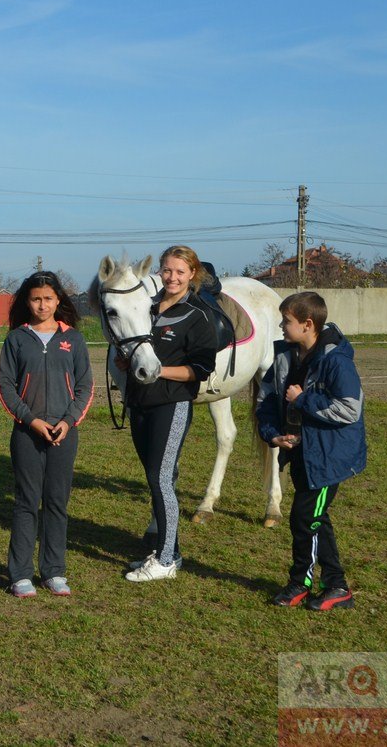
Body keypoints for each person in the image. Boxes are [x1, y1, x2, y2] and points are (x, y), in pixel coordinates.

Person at [258, 291, 365, 611]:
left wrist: (303, 399)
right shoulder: (283, 356)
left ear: (307, 324)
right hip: (301, 453)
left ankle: (299, 583)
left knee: (304, 519)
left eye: (286, 321)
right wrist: (274, 434)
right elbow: (265, 401)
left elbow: (349, 410)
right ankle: (337, 587)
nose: (280, 326)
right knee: (317, 519)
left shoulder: (335, 361)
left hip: (328, 457)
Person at [120, 246, 218, 583]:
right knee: (153, 477)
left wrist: (161, 371)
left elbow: (201, 369)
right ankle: (169, 550)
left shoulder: (198, 315)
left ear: (193, 274)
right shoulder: (147, 308)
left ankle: (165, 560)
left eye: (180, 271)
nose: (172, 277)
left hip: (172, 404)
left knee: (162, 479)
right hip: (140, 403)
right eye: (167, 270)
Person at [0, 271, 93, 598]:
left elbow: (85, 387)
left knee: (56, 502)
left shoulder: (74, 339)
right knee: (26, 501)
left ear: (58, 301)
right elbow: (5, 387)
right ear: (27, 300)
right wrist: (31, 421)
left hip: (65, 433)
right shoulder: (16, 339)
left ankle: (54, 571)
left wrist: (68, 421)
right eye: (36, 299)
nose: (42, 305)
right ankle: (20, 573)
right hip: (27, 432)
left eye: (48, 299)